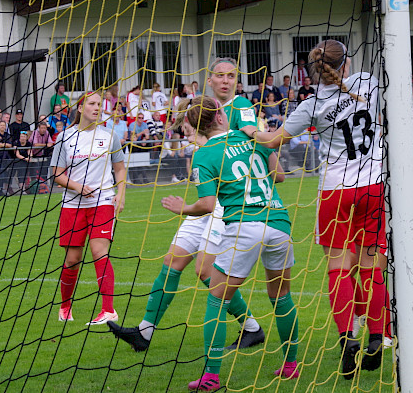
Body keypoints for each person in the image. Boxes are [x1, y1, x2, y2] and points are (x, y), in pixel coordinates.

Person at [108, 58, 266, 354]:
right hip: (206, 196)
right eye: (220, 75)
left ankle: (251, 328)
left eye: (231, 76)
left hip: (226, 204)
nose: (226, 81)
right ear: (210, 79)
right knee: (172, 261)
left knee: (205, 271)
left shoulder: (241, 105)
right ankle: (145, 331)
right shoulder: (200, 104)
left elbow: (248, 132)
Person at [255, 39, 388, 377]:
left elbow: (273, 141)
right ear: (345, 63)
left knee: (338, 267)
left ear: (313, 69)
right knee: (372, 266)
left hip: (336, 191)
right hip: (373, 185)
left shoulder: (312, 105)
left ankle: (347, 339)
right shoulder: (367, 83)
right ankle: (377, 336)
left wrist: (248, 130)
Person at [155, 97, 298, 391]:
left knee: (217, 300)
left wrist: (183, 207)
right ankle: (291, 365)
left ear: (196, 126)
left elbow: (208, 205)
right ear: (220, 115)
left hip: (244, 226)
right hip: (278, 221)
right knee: (281, 297)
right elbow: (280, 176)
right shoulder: (252, 136)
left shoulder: (204, 154)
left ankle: (211, 376)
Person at [51, 91, 126, 326]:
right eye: (92, 104)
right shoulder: (65, 137)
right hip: (72, 205)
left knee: (98, 252)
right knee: (73, 258)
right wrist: (77, 187)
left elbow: (120, 169)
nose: (97, 108)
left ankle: (108, 310)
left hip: (103, 202)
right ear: (80, 108)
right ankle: (65, 307)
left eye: (100, 105)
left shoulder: (109, 136)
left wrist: (120, 196)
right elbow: (56, 174)